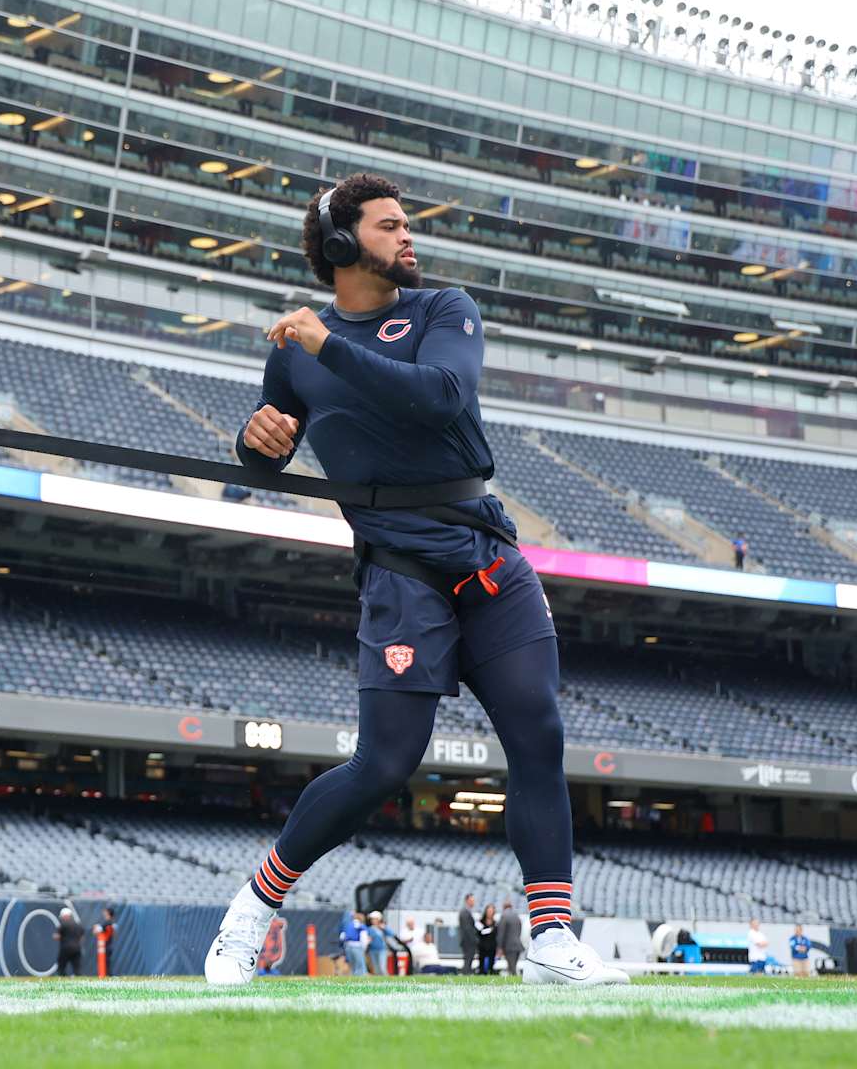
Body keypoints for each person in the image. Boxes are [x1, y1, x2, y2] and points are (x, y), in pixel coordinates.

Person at [204, 174, 626, 988]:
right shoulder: (294, 347)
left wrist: (330, 347)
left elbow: (442, 398)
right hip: (400, 575)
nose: (409, 238)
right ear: (339, 245)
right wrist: (256, 442)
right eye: (390, 226)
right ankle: (251, 911)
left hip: (487, 556)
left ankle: (550, 938)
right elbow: (271, 450)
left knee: (538, 733)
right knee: (384, 766)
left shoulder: (443, 309)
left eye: (408, 225)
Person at [497, 900, 524, 974]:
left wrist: (499, 947)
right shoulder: (516, 916)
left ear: (503, 907)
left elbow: (501, 933)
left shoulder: (504, 916)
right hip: (518, 945)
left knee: (511, 967)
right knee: (513, 966)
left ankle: (515, 983)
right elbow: (519, 930)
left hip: (509, 946)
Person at [56, 907, 84, 977]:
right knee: (77, 968)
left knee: (61, 968)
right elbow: (82, 937)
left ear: (65, 916)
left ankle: (63, 978)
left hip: (65, 948)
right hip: (77, 948)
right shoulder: (78, 925)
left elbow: (57, 936)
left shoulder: (63, 925)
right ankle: (78, 978)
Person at [339, 911, 368, 976]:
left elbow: (342, 936)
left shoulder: (347, 925)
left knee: (352, 965)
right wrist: (364, 948)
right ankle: (361, 979)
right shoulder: (361, 926)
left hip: (348, 946)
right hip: (357, 946)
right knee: (360, 965)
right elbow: (363, 938)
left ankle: (354, 977)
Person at [92, 907, 118, 978]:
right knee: (107, 961)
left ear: (108, 913)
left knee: (105, 961)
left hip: (105, 945)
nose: (104, 913)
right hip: (108, 944)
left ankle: (108, 975)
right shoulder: (112, 922)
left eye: (105, 912)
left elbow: (96, 931)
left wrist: (96, 927)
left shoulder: (107, 922)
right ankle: (108, 974)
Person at [457, 894, 479, 975]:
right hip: (468, 941)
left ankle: (467, 972)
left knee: (469, 958)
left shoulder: (467, 912)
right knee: (468, 958)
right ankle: (466, 973)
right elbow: (467, 929)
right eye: (471, 901)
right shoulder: (464, 912)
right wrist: (474, 939)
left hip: (468, 940)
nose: (473, 902)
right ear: (467, 901)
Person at [477, 903, 499, 975]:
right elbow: (478, 932)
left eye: (491, 911)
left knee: (491, 963)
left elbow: (496, 935)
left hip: (492, 946)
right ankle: (481, 974)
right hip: (482, 945)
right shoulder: (480, 922)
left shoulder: (495, 923)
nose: (490, 912)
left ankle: (490, 974)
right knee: (481, 963)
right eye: (489, 911)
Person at [366, 911, 388, 975]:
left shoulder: (382, 928)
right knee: (376, 968)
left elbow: (391, 934)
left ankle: (386, 981)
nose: (373, 921)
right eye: (372, 919)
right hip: (372, 950)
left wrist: (385, 928)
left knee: (382, 967)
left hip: (382, 950)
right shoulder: (369, 929)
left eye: (375, 919)